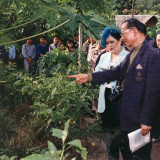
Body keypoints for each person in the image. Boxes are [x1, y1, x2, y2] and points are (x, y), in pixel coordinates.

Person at [68, 18, 160, 160]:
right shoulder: (133, 53)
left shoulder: (152, 55)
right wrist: (89, 77)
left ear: (134, 31)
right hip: (129, 117)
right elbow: (115, 72)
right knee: (131, 155)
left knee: (140, 156)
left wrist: (147, 121)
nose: (122, 38)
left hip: (139, 119)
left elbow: (153, 92)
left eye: (123, 33)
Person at [95, 26, 129, 160]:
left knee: (123, 137)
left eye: (112, 42)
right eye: (107, 42)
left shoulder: (128, 57)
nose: (109, 45)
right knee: (109, 136)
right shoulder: (103, 57)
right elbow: (96, 74)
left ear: (120, 40)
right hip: (106, 97)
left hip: (122, 99)